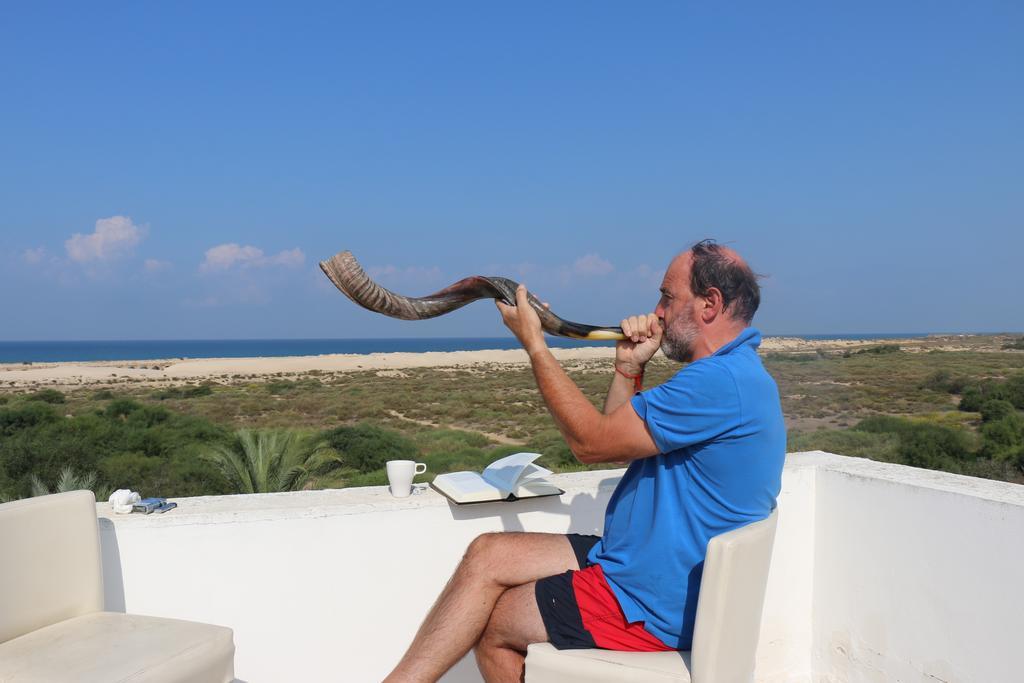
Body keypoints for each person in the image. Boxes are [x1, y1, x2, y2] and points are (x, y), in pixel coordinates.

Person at [384, 239, 785, 683]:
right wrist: (628, 369)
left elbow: (590, 445)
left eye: (668, 298)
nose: (657, 312)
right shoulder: (737, 376)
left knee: (497, 626)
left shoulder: (717, 383)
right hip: (634, 562)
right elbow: (616, 442)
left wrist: (536, 345)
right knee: (488, 555)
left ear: (709, 303)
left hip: (649, 602)